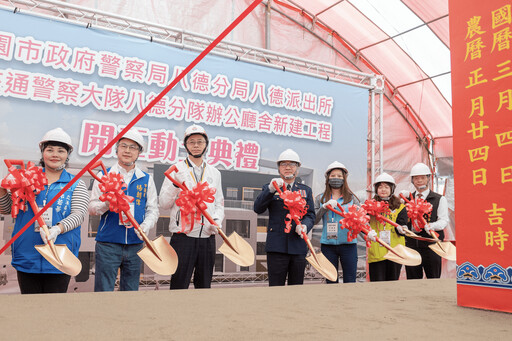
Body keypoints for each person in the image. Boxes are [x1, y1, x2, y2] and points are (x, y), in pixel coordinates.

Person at [0, 127, 89, 294]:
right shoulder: (25, 179)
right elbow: (6, 209)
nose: (55, 154)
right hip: (27, 254)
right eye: (50, 150)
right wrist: (2, 191)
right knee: (30, 307)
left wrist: (57, 228)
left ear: (67, 154)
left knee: (53, 310)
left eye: (60, 150)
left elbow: (78, 215)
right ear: (42, 152)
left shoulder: (76, 184)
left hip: (59, 256)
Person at [89, 129, 159, 291]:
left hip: (135, 244)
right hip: (108, 244)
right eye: (124, 146)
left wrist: (145, 226)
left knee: (130, 291)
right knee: (103, 291)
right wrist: (107, 203)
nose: (127, 150)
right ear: (116, 149)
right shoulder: (104, 175)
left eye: (133, 147)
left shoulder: (146, 178)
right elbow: (92, 208)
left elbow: (153, 210)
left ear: (139, 152)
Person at [159, 124, 224, 289]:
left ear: (206, 145)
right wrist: (176, 185)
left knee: (204, 286)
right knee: (179, 285)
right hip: (183, 238)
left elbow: (218, 203)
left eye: (200, 142)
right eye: (192, 142)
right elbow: (164, 204)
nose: (196, 145)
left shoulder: (214, 173)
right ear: (185, 145)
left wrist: (216, 220)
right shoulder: (176, 170)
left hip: (208, 238)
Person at [254, 149, 315, 286]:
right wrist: (270, 190)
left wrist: (304, 226)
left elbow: (310, 215)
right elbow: (258, 208)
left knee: (296, 288)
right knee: (276, 287)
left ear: (297, 169)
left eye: (292, 164)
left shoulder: (305, 190)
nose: (288, 167)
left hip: (298, 246)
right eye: (283, 164)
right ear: (278, 168)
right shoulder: (269, 188)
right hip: (276, 247)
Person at [314, 161, 360, 283]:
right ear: (327, 178)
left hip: (349, 245)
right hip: (328, 245)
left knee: (350, 280)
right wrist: (324, 207)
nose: (336, 178)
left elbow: (360, 220)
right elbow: (314, 220)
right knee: (330, 280)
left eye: (339, 176)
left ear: (344, 179)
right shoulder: (320, 198)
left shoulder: (352, 198)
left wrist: (369, 233)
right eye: (333, 176)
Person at [402, 162, 449, 279]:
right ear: (412, 180)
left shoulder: (439, 199)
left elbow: (443, 221)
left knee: (433, 279)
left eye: (423, 178)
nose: (419, 181)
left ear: (428, 178)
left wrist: (432, 226)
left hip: (431, 246)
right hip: (412, 245)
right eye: (416, 178)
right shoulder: (406, 199)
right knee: (413, 280)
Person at [366, 172, 407, 281]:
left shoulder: (400, 207)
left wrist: (402, 229)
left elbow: (403, 224)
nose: (383, 190)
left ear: (392, 189)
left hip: (394, 251)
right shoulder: (369, 206)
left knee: (392, 283)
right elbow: (362, 223)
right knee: (377, 285)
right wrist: (367, 232)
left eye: (386, 187)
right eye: (380, 187)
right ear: (376, 189)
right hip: (376, 251)